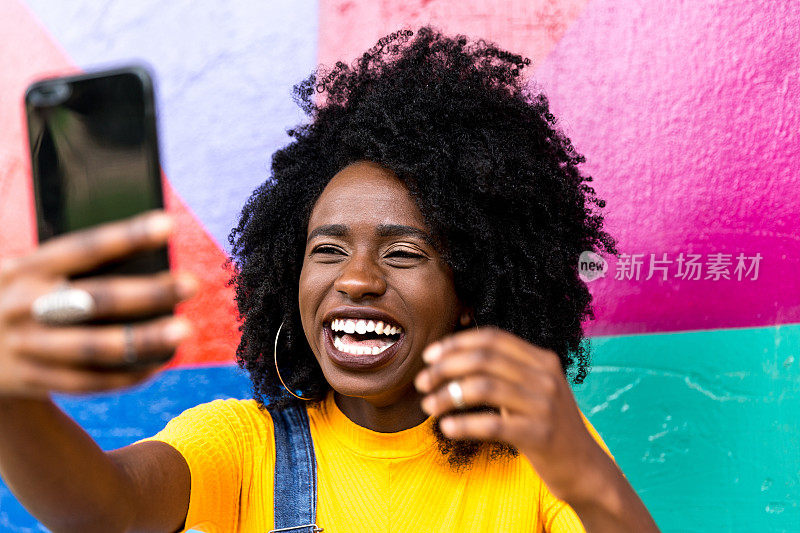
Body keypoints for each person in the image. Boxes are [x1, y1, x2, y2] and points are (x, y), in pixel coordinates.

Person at [0, 27, 660, 532]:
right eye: (328, 249)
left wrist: (583, 467)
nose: (358, 280)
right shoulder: (246, 446)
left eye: (404, 253)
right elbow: (106, 510)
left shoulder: (539, 459)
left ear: (472, 292)